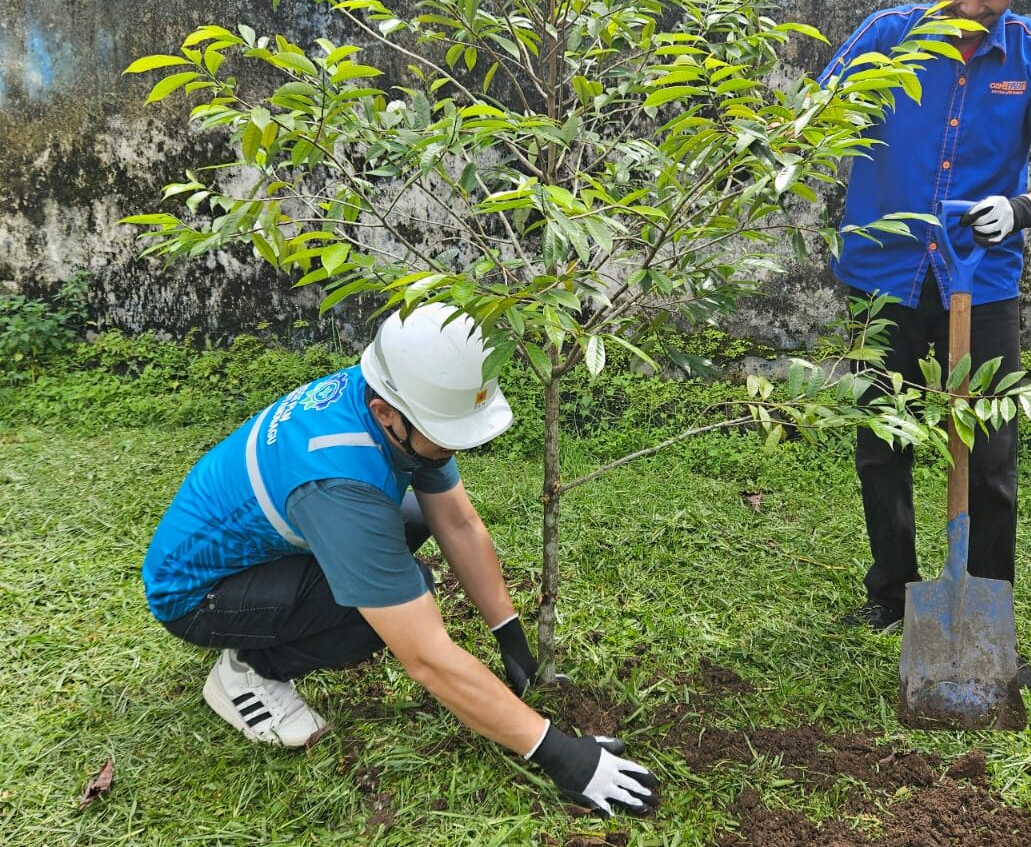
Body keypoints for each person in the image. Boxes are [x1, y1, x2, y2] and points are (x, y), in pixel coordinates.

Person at [142, 302, 658, 817]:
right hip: (198, 595)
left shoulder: (390, 401)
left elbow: (456, 522)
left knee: (412, 519)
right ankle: (249, 670)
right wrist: (561, 754)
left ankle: (273, 635)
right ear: (387, 414)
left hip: (264, 550)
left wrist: (511, 637)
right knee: (384, 616)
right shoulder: (341, 481)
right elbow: (425, 655)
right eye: (446, 434)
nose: (454, 448)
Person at [820, 0, 1031, 689]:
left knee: (992, 452)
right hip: (885, 277)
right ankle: (895, 596)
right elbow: (818, 115)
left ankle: (985, 611)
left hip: (983, 279)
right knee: (883, 441)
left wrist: (1022, 206)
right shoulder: (884, 38)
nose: (972, 8)